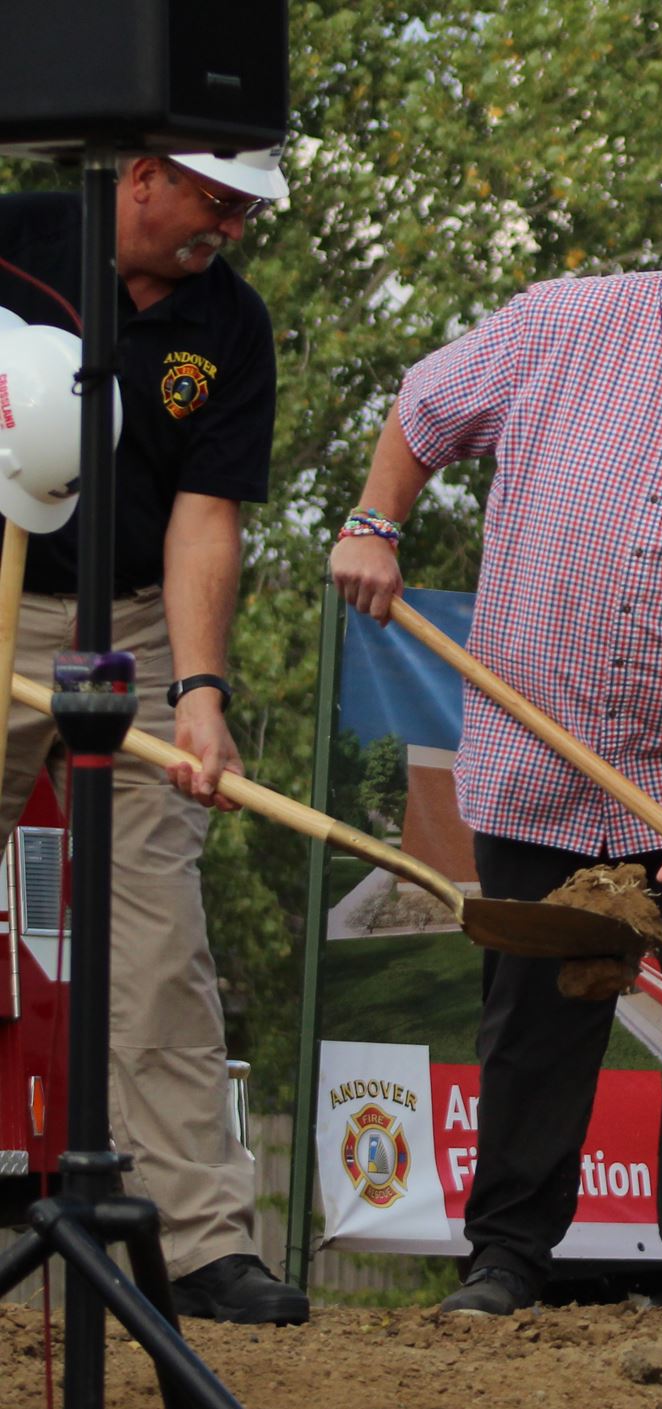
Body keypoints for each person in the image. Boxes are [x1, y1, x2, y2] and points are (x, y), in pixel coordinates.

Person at [329, 110, 662, 1324]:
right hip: (542, 761)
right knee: (537, 1013)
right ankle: (507, 1254)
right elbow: (425, 410)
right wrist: (374, 521)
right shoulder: (562, 325)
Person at [0, 147, 305, 1323]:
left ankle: (200, 1243)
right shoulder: (16, 243)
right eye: (213, 201)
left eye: (241, 211)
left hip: (134, 629)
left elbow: (205, 516)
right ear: (140, 176)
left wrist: (203, 694)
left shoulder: (231, 324)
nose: (224, 228)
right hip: (2, 592)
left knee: (160, 934)